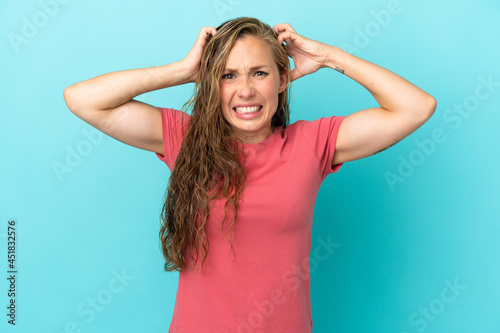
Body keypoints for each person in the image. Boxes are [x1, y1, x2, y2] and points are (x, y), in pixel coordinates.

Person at [63, 16, 436, 333]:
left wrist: (328, 56)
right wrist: (181, 72)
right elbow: (82, 98)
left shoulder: (312, 143)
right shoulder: (183, 138)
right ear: (212, 83)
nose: (245, 91)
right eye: (227, 75)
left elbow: (416, 107)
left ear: (283, 79)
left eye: (259, 73)